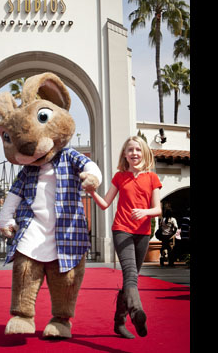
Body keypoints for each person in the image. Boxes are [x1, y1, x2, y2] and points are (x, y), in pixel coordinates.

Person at [86, 136, 161, 339]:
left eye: (138, 149)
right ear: (125, 155)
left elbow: (158, 209)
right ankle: (136, 313)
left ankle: (119, 322)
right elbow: (105, 204)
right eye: (130, 150)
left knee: (131, 278)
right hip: (122, 230)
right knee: (130, 274)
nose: (134, 153)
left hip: (143, 233)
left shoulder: (152, 178)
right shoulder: (119, 176)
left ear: (144, 153)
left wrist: (145, 212)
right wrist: (92, 192)